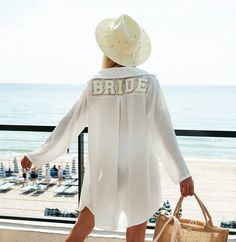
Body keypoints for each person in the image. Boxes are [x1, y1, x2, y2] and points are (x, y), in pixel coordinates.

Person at [21, 14, 194, 242]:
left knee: (80, 231)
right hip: (139, 169)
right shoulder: (148, 82)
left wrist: (38, 155)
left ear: (108, 50)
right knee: (135, 237)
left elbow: (70, 123)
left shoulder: (96, 84)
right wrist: (182, 174)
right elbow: (163, 130)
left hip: (104, 169)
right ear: (134, 50)